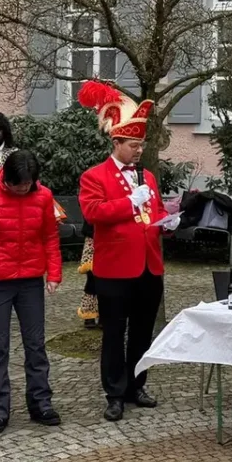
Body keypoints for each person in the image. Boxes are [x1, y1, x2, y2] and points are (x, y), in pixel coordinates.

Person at [77, 80, 179, 423]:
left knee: (141, 332)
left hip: (149, 266)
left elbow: (153, 213)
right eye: (133, 145)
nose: (139, 150)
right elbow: (93, 214)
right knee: (114, 334)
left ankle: (137, 385)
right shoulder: (94, 176)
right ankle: (114, 392)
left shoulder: (147, 176)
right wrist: (126, 203)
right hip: (115, 269)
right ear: (116, 142)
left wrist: (168, 221)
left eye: (141, 144)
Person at [0, 149, 62, 435]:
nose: (23, 189)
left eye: (28, 184)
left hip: (31, 280)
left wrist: (53, 273)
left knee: (36, 345)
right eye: (19, 184)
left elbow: (49, 236)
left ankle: (41, 402)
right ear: (6, 178)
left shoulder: (43, 196)